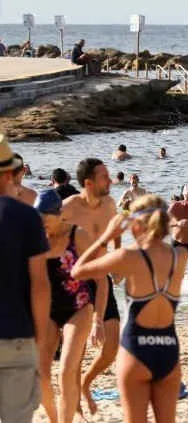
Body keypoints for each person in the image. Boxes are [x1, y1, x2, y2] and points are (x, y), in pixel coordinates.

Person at [72, 195, 188, 423]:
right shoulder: (180, 256)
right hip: (168, 349)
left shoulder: (128, 256)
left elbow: (78, 271)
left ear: (136, 225)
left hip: (136, 351)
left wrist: (107, 237)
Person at [34, 189, 108, 423]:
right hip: (48, 311)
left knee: (66, 372)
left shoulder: (79, 236)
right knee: (40, 375)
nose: (42, 225)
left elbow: (102, 279)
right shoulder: (36, 239)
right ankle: (55, 419)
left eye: (45, 219)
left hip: (79, 308)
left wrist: (98, 320)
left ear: (59, 215)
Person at [61, 158, 120, 415]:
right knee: (77, 350)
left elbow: (116, 230)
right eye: (104, 176)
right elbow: (47, 236)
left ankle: (86, 384)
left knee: (111, 347)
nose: (110, 180)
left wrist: (118, 258)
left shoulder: (109, 204)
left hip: (102, 276)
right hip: (77, 281)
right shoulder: (68, 208)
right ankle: (75, 408)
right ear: (88, 183)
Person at [0, 136, 50, 423]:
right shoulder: (26, 217)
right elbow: (40, 285)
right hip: (16, 336)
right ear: (9, 173)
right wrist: (40, 340)